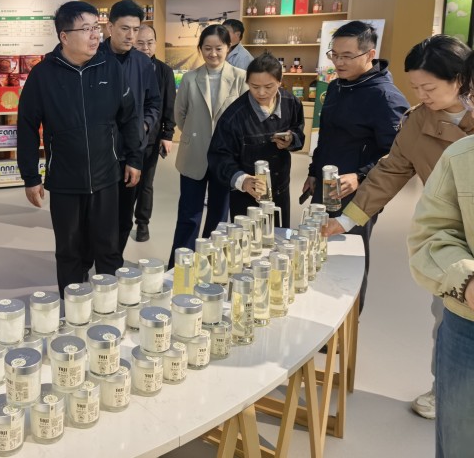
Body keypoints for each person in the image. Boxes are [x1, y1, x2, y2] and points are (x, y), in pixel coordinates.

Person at [323, 35, 473, 419]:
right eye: (415, 87)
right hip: (452, 236)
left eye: (429, 87)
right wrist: (347, 219)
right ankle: (446, 389)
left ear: (459, 79)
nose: (421, 95)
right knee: (450, 315)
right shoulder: (419, 120)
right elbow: (391, 170)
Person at [17, 1, 142, 297]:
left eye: (96, 28)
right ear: (64, 36)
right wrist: (30, 177)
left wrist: (134, 158)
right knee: (69, 250)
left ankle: (109, 306)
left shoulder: (110, 67)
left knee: (108, 248)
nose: (95, 35)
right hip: (65, 180)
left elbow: (129, 117)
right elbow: (26, 127)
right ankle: (73, 307)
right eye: (86, 29)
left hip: (106, 175)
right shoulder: (43, 75)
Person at [304, 20, 409, 311]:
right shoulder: (336, 87)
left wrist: (360, 177)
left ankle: (347, 320)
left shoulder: (385, 97)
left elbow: (398, 157)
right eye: (334, 55)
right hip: (326, 184)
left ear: (370, 54)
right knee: (319, 248)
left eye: (347, 56)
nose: (338, 62)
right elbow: (326, 136)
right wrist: (313, 172)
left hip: (358, 193)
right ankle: (319, 312)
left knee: (348, 257)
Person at [407, 130, 474, 457]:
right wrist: (466, 280)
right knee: (460, 439)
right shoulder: (462, 156)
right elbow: (432, 233)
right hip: (468, 324)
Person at [170, 24, 247, 267]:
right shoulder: (190, 78)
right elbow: (180, 114)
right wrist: (198, 134)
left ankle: (209, 265)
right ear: (200, 49)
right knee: (188, 214)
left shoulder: (240, 78)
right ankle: (179, 266)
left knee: (219, 215)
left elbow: (244, 117)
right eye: (207, 48)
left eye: (218, 48)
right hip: (193, 153)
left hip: (226, 158)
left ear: (228, 48)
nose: (213, 53)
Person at [208, 53, 305, 226]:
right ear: (247, 83)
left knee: (279, 234)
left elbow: (298, 129)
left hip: (280, 189)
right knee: (248, 239)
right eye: (254, 86)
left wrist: (292, 140)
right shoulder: (234, 116)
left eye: (268, 86)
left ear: (280, 81)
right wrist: (242, 180)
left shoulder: (291, 102)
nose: (261, 93)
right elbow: (219, 156)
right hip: (247, 195)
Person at [100, 0, 161, 253]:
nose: (131, 36)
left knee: (124, 215)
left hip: (132, 151)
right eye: (125, 29)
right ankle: (95, 260)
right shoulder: (94, 58)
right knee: (98, 215)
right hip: (100, 152)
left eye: (135, 30)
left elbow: (154, 102)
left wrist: (144, 126)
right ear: (110, 27)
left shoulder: (143, 63)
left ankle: (114, 261)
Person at [133, 24, 175, 242]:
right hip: (127, 138)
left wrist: (168, 135)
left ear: (156, 43)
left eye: (149, 43)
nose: (145, 48)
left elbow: (169, 105)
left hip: (152, 136)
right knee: (126, 181)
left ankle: (142, 223)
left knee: (146, 183)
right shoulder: (125, 66)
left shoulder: (164, 71)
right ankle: (120, 221)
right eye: (140, 43)